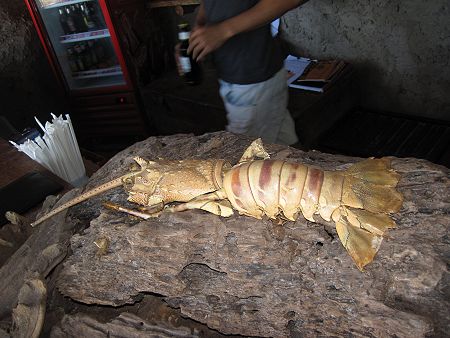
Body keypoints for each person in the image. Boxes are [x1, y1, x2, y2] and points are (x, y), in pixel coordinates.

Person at [185, 0, 309, 146]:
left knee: (244, 154)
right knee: (283, 147)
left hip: (253, 80)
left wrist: (223, 30)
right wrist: (197, 34)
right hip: (235, 75)